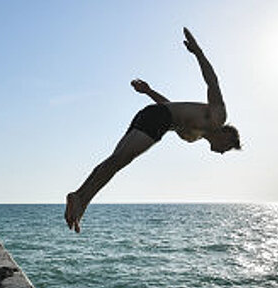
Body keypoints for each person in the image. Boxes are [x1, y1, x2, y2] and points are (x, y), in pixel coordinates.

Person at [65, 28, 241, 233]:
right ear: (227, 135)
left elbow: (170, 107)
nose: (222, 152)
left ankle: (80, 202)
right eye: (227, 148)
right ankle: (79, 198)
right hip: (156, 119)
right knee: (119, 161)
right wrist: (197, 52)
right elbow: (212, 82)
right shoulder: (218, 117)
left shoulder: (192, 137)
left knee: (115, 160)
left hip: (152, 115)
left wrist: (148, 91)